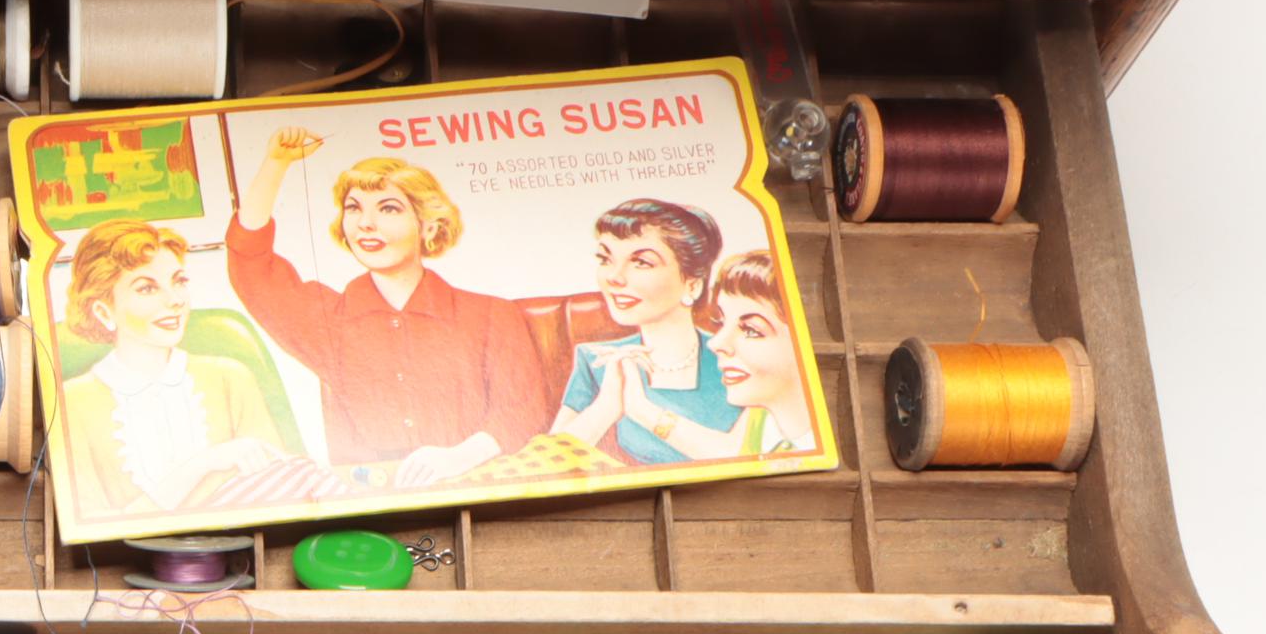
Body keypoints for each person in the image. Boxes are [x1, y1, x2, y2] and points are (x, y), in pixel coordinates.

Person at [224, 129, 551, 487]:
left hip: (478, 488)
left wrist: (457, 457)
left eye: (388, 208)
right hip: (373, 507)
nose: (366, 223)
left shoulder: (492, 316)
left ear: (427, 225)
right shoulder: (329, 321)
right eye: (354, 208)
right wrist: (276, 163)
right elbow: (251, 266)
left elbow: (523, 412)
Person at [56, 219, 339, 518]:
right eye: (147, 288)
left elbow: (280, 489)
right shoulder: (71, 402)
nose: (175, 300)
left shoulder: (231, 376)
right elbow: (89, 523)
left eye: (179, 282)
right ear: (103, 310)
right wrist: (202, 466)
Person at [553, 196, 741, 464]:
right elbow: (548, 465)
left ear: (692, 285)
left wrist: (642, 410)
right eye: (605, 259)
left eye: (641, 262)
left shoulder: (738, 358)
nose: (615, 277)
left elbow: (750, 454)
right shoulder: (598, 361)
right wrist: (606, 406)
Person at [616, 250, 820, 460]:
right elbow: (728, 452)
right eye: (721, 322)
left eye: (751, 330)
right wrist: (639, 407)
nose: (716, 343)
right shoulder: (760, 410)